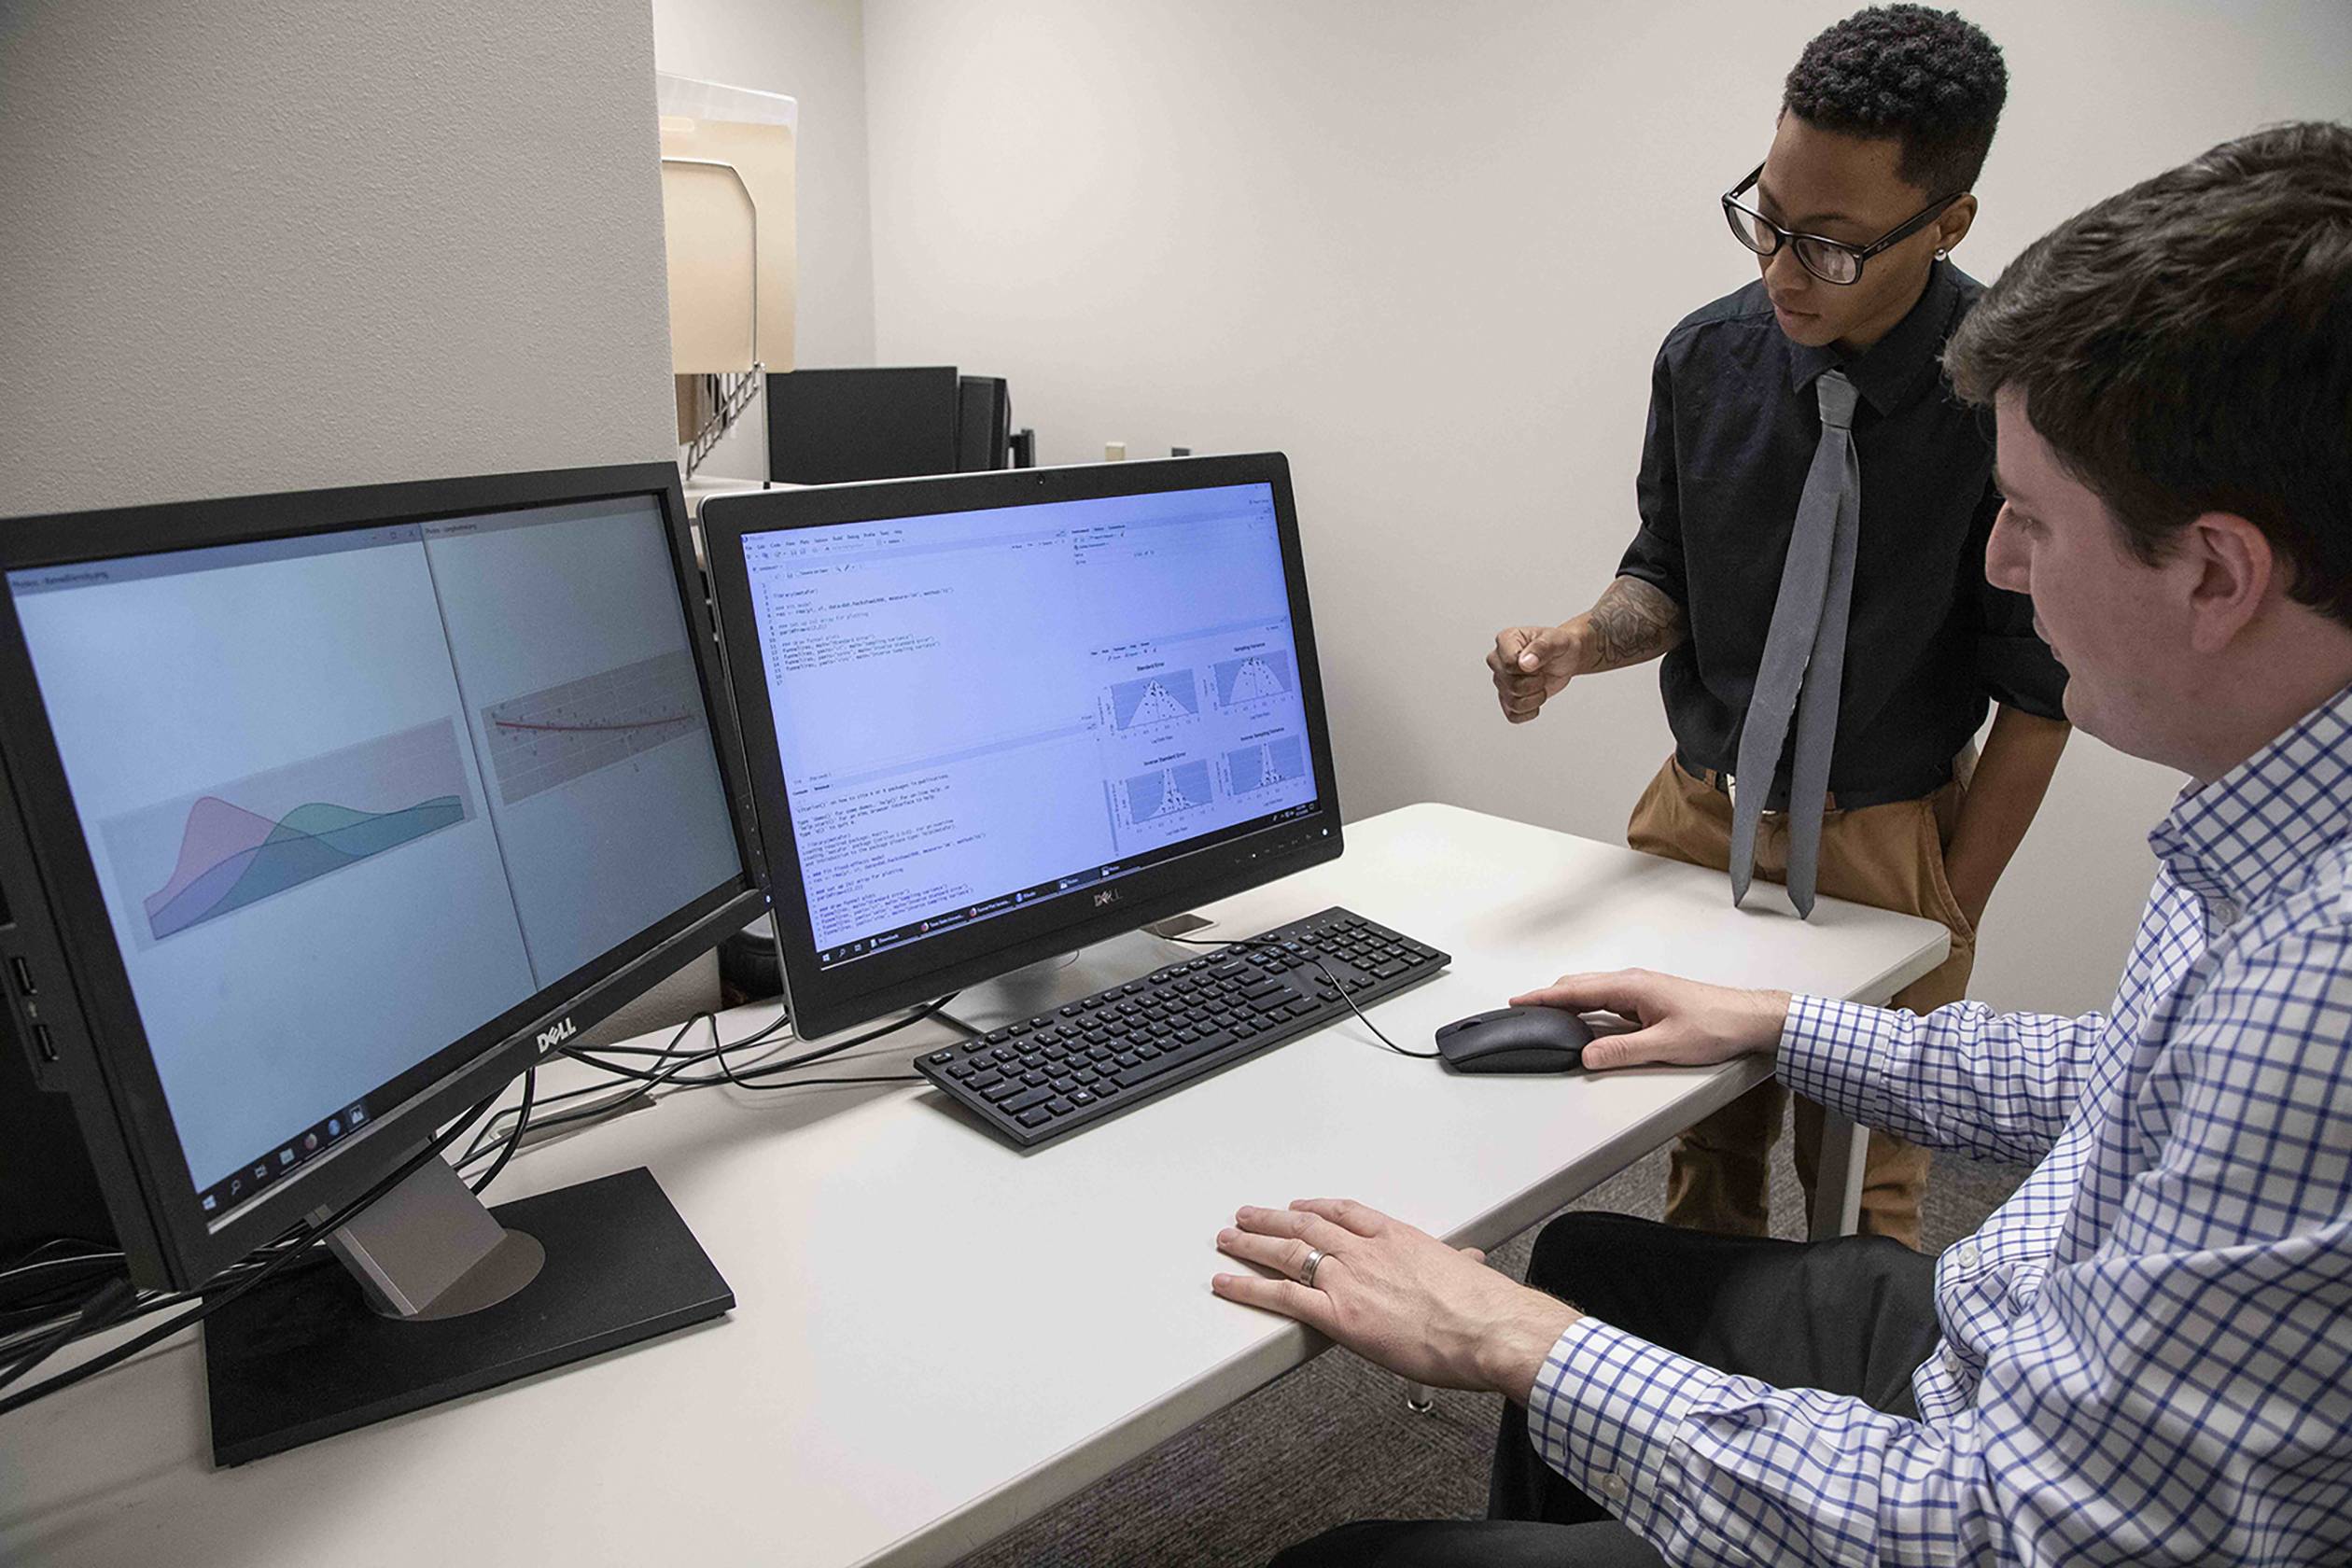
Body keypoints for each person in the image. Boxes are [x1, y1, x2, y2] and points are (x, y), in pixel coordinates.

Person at [1227, 120, 2352, 1566]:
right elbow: (2131, 1074)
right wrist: (1780, 1022)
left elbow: (2014, 1535)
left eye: (2029, 523)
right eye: (1766, 221)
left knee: (1361, 1538)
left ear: (2215, 571)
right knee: (1599, 1245)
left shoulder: (2319, 984)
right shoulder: (2264, 831)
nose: (2004, 563)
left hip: (1988, 1481)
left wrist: (1524, 1346)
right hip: (2011, 1320)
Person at [1488, 5, 2070, 1249]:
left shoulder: (2006, 397)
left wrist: (1949, 910)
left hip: (1884, 832)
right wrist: (1570, 649)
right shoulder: (1706, 358)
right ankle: (1696, 1401)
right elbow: (1666, 579)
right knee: (1698, 1134)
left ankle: (1856, 1421)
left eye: (1834, 246)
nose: (1784, 273)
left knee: (1867, 1183)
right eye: (1769, 218)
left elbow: (2040, 695)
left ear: (1950, 221)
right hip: (1703, 809)